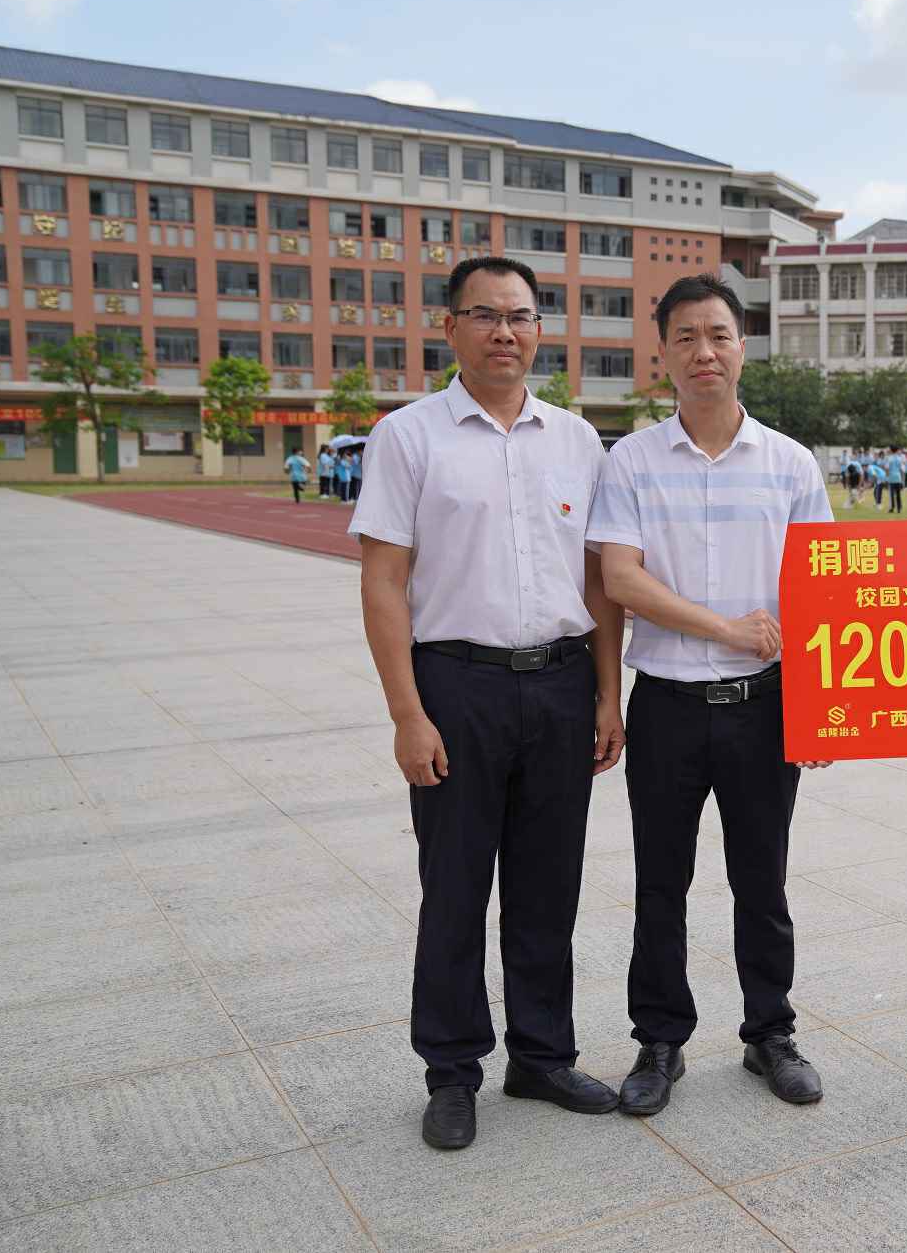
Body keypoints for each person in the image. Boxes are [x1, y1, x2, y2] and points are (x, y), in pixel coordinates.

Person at [349, 255, 627, 1151]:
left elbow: (599, 582)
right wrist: (407, 713)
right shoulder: (409, 437)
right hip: (455, 686)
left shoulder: (578, 441)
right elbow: (383, 580)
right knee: (455, 887)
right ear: (450, 328)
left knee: (548, 887)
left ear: (539, 330)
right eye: (485, 315)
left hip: (560, 683)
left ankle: (541, 1057)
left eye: (520, 316)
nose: (504, 332)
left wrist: (606, 694)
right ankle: (452, 1069)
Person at [591, 274, 835, 1118]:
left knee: (762, 882)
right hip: (666, 706)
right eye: (687, 337)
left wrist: (820, 706)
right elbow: (620, 579)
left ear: (742, 347)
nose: (705, 351)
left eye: (719, 335)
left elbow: (819, 591)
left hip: (765, 708)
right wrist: (725, 628)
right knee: (660, 883)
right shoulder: (630, 461)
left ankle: (770, 1033)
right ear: (662, 353)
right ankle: (659, 1041)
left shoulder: (789, 464)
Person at [884, 447, 905, 514]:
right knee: (898, 494)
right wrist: (902, 479)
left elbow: (887, 468)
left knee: (891, 494)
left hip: (891, 477)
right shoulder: (899, 458)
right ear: (896, 450)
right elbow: (902, 469)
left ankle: (892, 508)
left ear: (891, 450)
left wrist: (886, 477)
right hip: (898, 477)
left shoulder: (889, 458)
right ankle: (899, 508)